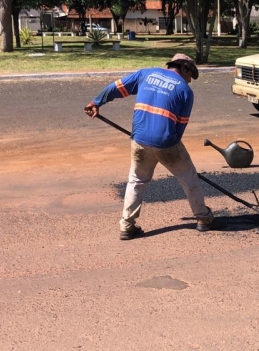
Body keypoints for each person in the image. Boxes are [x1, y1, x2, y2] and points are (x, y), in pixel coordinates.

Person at [84, 54, 215, 240]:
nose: (189, 81)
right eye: (190, 76)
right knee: (189, 178)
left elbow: (116, 88)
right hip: (167, 142)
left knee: (136, 180)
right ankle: (203, 218)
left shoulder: (145, 74)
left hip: (139, 140)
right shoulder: (185, 91)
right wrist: (168, 149)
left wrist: (96, 102)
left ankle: (127, 226)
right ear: (184, 69)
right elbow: (180, 127)